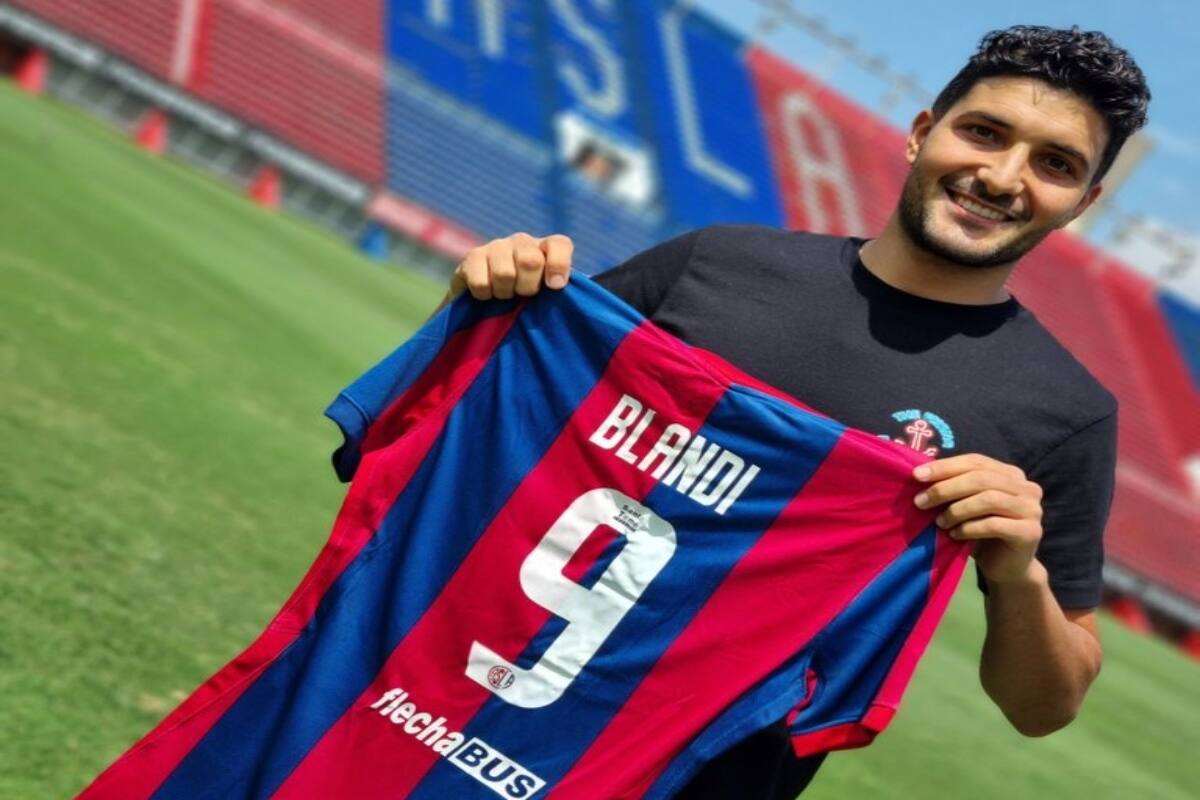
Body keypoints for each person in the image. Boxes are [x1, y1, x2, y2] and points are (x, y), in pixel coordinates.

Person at [429, 25, 1150, 799]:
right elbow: (465, 421)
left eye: (1055, 164)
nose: (1004, 176)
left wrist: (1017, 574)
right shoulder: (711, 264)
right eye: (984, 132)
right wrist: (478, 302)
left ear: (1082, 203)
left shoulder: (1064, 413)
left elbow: (1045, 708)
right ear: (921, 132)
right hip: (467, 718)